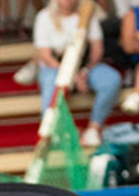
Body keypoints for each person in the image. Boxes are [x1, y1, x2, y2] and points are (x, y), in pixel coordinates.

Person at [34, 0, 120, 146]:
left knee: (111, 79)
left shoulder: (86, 14)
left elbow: (97, 50)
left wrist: (85, 72)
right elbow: (46, 56)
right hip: (56, 67)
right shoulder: (44, 16)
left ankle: (94, 128)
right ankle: (56, 131)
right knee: (51, 86)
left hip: (84, 65)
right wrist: (70, 75)